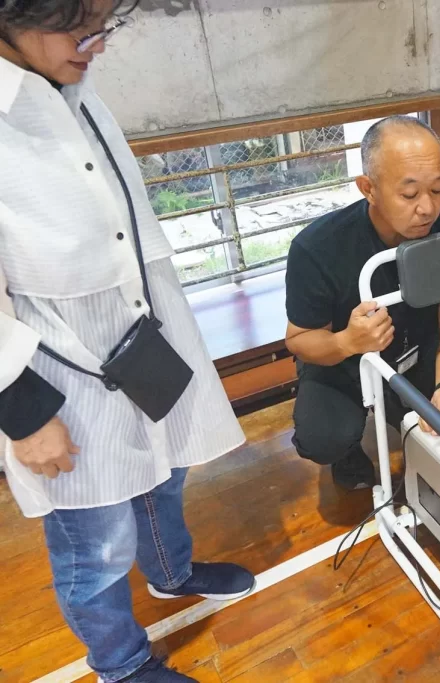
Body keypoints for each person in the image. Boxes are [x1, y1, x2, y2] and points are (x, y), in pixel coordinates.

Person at [0, 2, 255, 681]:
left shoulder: (65, 78)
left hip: (138, 336)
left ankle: (171, 572)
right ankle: (120, 663)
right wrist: (22, 409)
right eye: (80, 28)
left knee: (165, 471)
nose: (98, 46)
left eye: (104, 25)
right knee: (94, 539)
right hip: (61, 366)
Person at [285, 116, 440, 490]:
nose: (427, 209)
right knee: (323, 436)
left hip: (420, 347)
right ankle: (348, 450)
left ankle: (422, 414)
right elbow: (300, 339)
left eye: (436, 189)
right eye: (410, 195)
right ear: (368, 188)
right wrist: (346, 342)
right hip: (345, 362)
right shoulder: (318, 248)